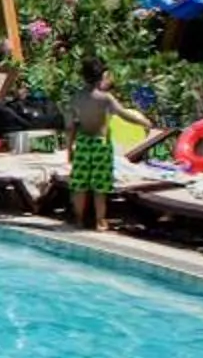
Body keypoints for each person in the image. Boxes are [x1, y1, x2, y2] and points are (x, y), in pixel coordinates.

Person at [65, 59, 152, 232]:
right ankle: (100, 221)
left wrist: (69, 149)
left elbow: (70, 126)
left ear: (83, 77)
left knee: (79, 185)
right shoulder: (105, 98)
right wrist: (143, 121)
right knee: (100, 186)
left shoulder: (76, 98)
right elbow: (123, 114)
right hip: (100, 144)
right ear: (102, 76)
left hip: (82, 143)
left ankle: (78, 219)